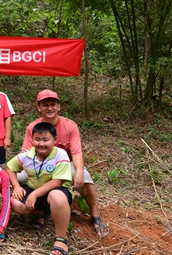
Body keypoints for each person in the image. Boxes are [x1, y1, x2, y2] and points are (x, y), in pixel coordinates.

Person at [21, 89, 109, 237]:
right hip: (39, 165)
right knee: (19, 177)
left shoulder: (70, 126)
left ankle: (94, 212)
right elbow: (26, 153)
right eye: (45, 105)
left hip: (64, 165)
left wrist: (79, 172)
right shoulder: (33, 127)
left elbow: (76, 152)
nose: (50, 108)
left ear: (59, 106)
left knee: (84, 177)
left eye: (53, 104)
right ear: (39, 107)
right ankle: (39, 209)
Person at [7, 122, 73, 255]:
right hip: (33, 189)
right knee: (14, 202)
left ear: (55, 140)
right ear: (32, 140)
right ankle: (41, 211)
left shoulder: (60, 155)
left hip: (56, 191)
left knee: (56, 196)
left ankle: (61, 239)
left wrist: (34, 195)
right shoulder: (27, 155)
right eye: (37, 139)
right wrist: (16, 186)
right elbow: (10, 167)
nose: (41, 144)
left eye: (46, 140)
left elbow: (58, 182)